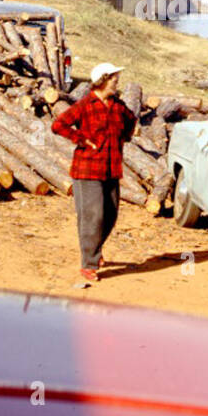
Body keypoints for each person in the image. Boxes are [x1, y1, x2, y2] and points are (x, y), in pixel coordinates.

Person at [51, 62, 136, 283]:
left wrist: (124, 137)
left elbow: (131, 121)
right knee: (92, 217)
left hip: (111, 168)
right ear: (103, 80)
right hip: (87, 168)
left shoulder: (118, 106)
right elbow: (58, 125)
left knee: (110, 215)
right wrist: (82, 139)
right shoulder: (85, 104)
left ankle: (94, 250)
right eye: (114, 79)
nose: (117, 82)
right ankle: (89, 263)